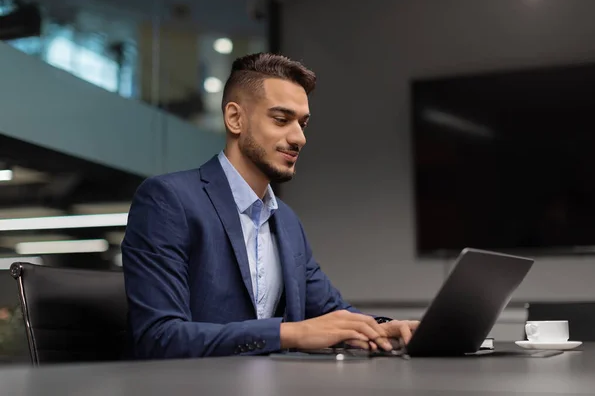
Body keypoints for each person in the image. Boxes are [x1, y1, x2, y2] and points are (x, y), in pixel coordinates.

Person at [122, 52, 419, 359]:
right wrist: (291, 332)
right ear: (235, 118)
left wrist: (388, 328)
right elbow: (158, 336)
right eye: (281, 120)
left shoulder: (286, 221)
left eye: (302, 124)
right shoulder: (168, 200)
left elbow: (333, 314)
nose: (299, 137)